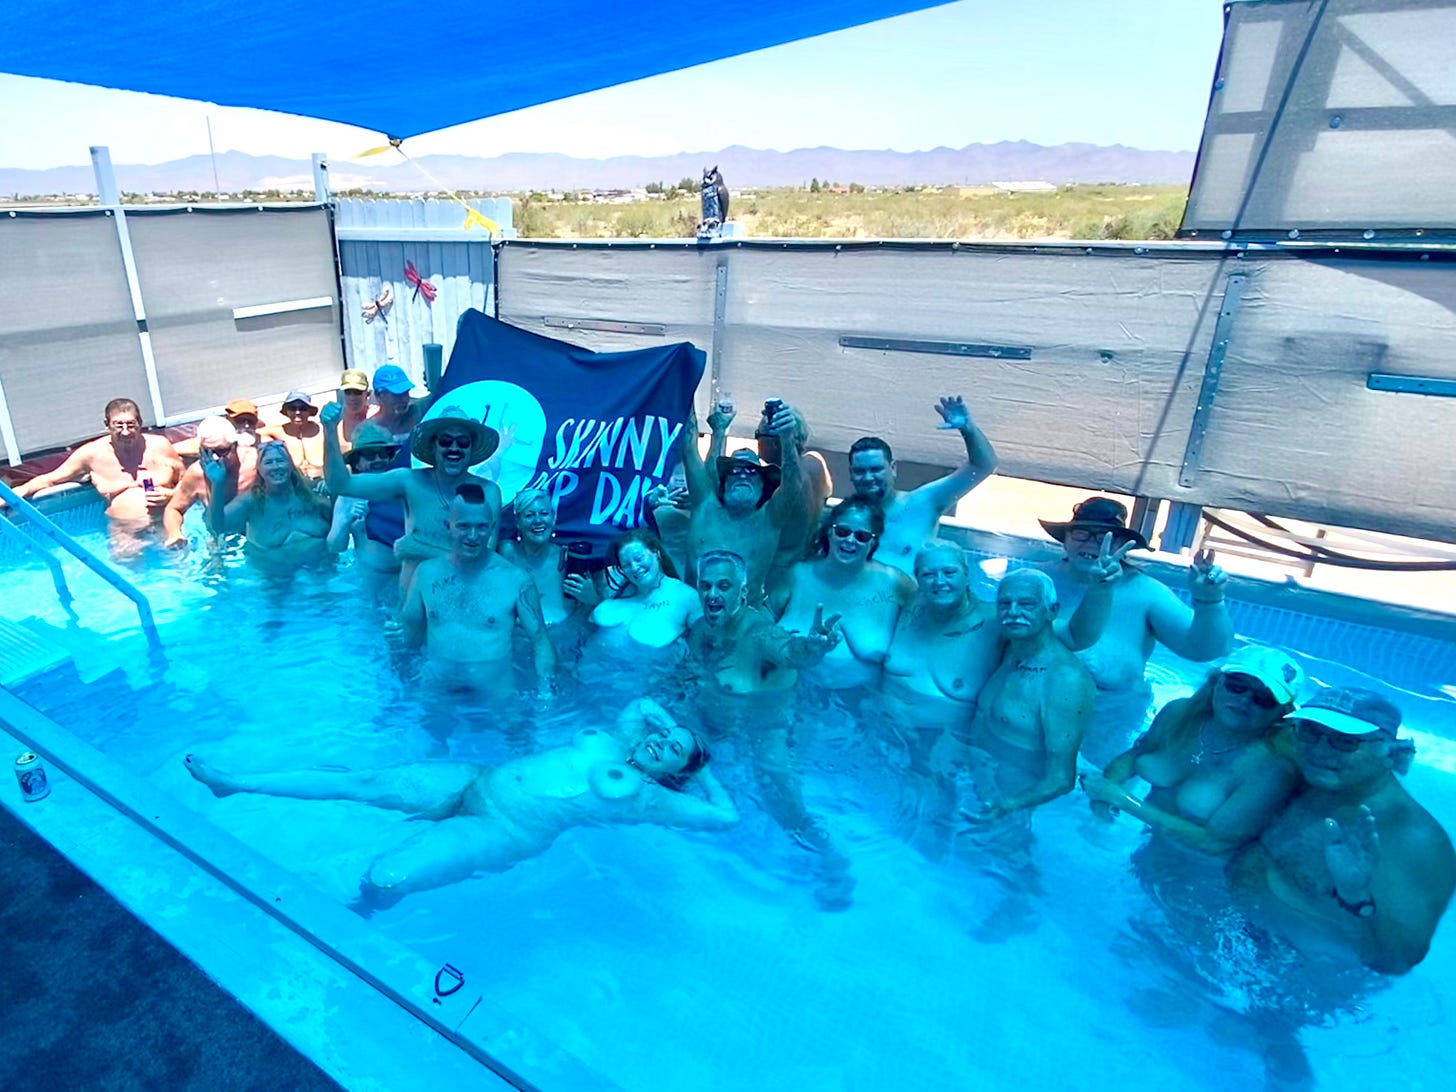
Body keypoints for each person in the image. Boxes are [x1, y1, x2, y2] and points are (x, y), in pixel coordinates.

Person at [182, 698, 738, 910]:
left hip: (502, 831)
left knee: (388, 877)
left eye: (672, 752)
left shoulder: (646, 799)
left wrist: (703, 766)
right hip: (475, 779)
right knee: (364, 779)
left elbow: (726, 818)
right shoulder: (616, 738)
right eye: (666, 736)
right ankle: (235, 783)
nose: (662, 743)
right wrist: (672, 727)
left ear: (674, 773)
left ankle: (356, 915)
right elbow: (642, 703)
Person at [1230, 687, 1455, 975]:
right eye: (1311, 731)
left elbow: (1396, 961)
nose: (1321, 750)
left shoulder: (1412, 839)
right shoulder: (1317, 783)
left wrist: (1356, 898)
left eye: (1345, 741)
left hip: (1302, 977)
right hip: (1242, 938)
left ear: (1387, 751)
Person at [687, 549, 853, 907]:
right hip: (718, 721)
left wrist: (813, 648)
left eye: (724, 586)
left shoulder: (759, 632)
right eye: (706, 586)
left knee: (777, 784)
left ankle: (830, 859)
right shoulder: (701, 629)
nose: (713, 594)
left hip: (765, 725)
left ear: (742, 594)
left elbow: (790, 650)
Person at [1040, 496, 1233, 763]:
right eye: (1082, 533)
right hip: (1033, 713)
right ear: (1066, 538)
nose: (1092, 544)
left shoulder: (1144, 592)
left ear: (1121, 545)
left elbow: (1205, 650)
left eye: (1105, 537)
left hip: (1106, 720)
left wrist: (1210, 601)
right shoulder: (1038, 582)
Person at [1080, 645, 1304, 855]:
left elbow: (1214, 841)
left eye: (1263, 698)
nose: (1245, 700)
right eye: (1236, 685)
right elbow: (1136, 755)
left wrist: (1122, 800)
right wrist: (1105, 793)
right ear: (1216, 682)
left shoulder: (1271, 769)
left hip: (1198, 872)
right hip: (1147, 846)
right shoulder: (1179, 715)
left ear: (1282, 713)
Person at [321, 399, 501, 593]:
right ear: (433, 447)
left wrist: (415, 548)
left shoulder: (488, 491)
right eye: (445, 441)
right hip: (412, 608)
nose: (454, 448)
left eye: (463, 442)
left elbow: (485, 557)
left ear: (471, 448)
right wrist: (330, 430)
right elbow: (340, 484)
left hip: (464, 601)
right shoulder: (409, 482)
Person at [400, 483, 554, 701]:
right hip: (440, 685)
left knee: (517, 733)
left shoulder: (516, 580)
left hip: (495, 688)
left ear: (492, 528)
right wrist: (399, 657)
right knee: (427, 733)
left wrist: (546, 691)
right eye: (463, 526)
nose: (473, 536)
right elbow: (409, 630)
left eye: (481, 527)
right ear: (448, 525)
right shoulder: (426, 574)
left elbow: (541, 642)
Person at [770, 497, 915, 694]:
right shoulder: (797, 575)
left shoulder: (895, 584)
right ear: (830, 531)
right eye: (842, 531)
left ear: (873, 542)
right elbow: (759, 627)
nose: (850, 540)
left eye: (861, 536)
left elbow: (931, 631)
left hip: (861, 704)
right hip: (792, 696)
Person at [4, 397, 181, 555]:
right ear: (107, 425)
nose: (126, 431)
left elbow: (186, 483)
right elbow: (51, 479)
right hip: (125, 530)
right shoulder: (92, 454)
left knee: (179, 563)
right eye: (119, 425)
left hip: (164, 522)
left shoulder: (160, 446)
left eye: (131, 425)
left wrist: (171, 495)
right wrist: (16, 492)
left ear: (140, 423)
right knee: (132, 569)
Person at [847, 395, 997, 576]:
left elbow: (983, 466)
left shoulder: (924, 503)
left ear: (893, 468)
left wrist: (968, 430)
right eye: (860, 471)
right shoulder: (844, 521)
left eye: (876, 469)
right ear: (851, 474)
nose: (868, 477)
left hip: (910, 603)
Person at [678, 402, 804, 603]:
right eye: (735, 471)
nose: (743, 476)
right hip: (694, 612)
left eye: (752, 472)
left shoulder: (771, 517)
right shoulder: (705, 505)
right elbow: (688, 446)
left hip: (744, 619)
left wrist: (787, 438)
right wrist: (684, 376)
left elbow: (793, 483)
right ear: (724, 482)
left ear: (764, 485)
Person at [205, 439, 333, 573]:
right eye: (268, 462)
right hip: (277, 580)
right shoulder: (250, 502)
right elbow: (217, 527)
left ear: (290, 465)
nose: (276, 466)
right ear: (259, 469)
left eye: (280, 461)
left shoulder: (311, 493)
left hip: (323, 573)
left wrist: (333, 490)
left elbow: (341, 520)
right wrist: (217, 484)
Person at [585, 528, 700, 660]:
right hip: (588, 672)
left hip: (647, 677)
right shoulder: (614, 591)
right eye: (627, 565)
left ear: (656, 553)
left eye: (639, 558)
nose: (635, 567)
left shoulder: (686, 598)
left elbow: (706, 648)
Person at [753, 403, 832, 580]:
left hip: (780, 572)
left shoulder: (780, 482)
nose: (756, 442)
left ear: (774, 442)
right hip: (809, 565)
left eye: (758, 435)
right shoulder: (816, 463)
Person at [163, 416, 259, 548]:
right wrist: (174, 534)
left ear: (235, 446)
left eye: (221, 451)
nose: (214, 457)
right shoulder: (197, 473)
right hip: (218, 534)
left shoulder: (255, 462)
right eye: (207, 451)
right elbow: (174, 508)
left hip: (255, 530)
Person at [326, 421, 402, 584]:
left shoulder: (402, 488)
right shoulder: (348, 496)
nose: (378, 460)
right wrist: (347, 521)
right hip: (371, 579)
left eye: (383, 454)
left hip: (405, 575)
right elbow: (334, 548)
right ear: (356, 463)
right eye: (370, 455)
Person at [370, 364, 429, 443]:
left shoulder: (419, 411)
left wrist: (433, 383)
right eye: (396, 395)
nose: (404, 399)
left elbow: (437, 395)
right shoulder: (368, 432)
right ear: (379, 396)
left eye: (405, 393)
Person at [277, 390, 325, 481]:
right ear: (287, 411)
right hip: (297, 487)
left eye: (303, 408)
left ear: (309, 411)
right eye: (292, 408)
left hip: (322, 483)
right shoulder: (278, 432)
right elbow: (255, 429)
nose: (297, 412)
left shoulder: (322, 431)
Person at [337, 369, 376, 445]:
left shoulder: (378, 415)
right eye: (348, 392)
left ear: (367, 394)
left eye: (357, 392)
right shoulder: (335, 420)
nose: (352, 397)